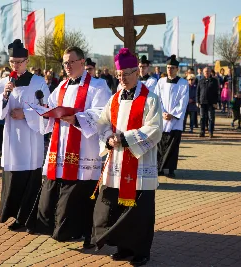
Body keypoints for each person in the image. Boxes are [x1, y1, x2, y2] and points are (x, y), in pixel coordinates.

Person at [27, 46, 111, 249]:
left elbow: (103, 113)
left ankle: (84, 233)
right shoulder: (61, 86)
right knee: (52, 192)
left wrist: (77, 118)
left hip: (84, 151)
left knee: (80, 194)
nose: (67, 66)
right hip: (61, 148)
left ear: (82, 63)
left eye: (71, 62)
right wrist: (45, 111)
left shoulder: (98, 86)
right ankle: (60, 227)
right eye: (65, 63)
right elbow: (50, 107)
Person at [93, 47, 163, 267]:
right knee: (118, 208)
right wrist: (108, 139)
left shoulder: (150, 99)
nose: (122, 78)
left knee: (139, 213)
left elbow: (155, 128)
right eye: (119, 75)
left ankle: (141, 251)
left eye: (126, 74)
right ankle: (124, 248)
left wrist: (124, 139)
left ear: (137, 72)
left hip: (140, 164)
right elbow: (102, 123)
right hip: (117, 164)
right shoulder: (114, 99)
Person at [0, 39, 50, 230]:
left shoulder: (38, 82)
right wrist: (4, 97)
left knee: (30, 178)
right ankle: (16, 216)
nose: (16, 65)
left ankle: (30, 218)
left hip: (31, 139)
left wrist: (26, 113)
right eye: (13, 62)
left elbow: (46, 109)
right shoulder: (4, 82)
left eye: (20, 62)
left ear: (27, 60)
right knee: (14, 178)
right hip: (12, 140)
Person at [155, 55, 188, 177]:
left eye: (173, 68)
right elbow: (157, 98)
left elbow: (183, 101)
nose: (170, 70)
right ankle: (159, 168)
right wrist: (162, 112)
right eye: (168, 67)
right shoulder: (161, 82)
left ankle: (170, 169)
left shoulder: (183, 83)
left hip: (175, 120)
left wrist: (172, 115)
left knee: (172, 145)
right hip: (162, 118)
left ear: (177, 69)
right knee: (160, 144)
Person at [196, 67, 219, 138]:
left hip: (211, 103)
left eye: (208, 71)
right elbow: (197, 92)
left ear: (210, 72)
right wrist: (197, 101)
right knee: (202, 118)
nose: (207, 73)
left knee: (211, 118)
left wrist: (216, 102)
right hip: (202, 102)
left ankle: (210, 132)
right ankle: (202, 132)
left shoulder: (214, 81)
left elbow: (217, 92)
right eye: (205, 71)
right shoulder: (200, 81)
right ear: (203, 72)